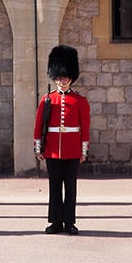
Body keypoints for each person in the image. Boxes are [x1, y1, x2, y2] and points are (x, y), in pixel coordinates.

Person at [33, 45, 90, 235]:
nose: (61, 81)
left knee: (71, 188)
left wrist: (83, 151)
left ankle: (70, 222)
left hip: (72, 149)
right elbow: (39, 125)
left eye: (64, 77)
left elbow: (85, 127)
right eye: (58, 77)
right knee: (54, 187)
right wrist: (39, 148)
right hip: (52, 150)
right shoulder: (47, 99)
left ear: (71, 78)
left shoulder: (79, 101)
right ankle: (56, 221)